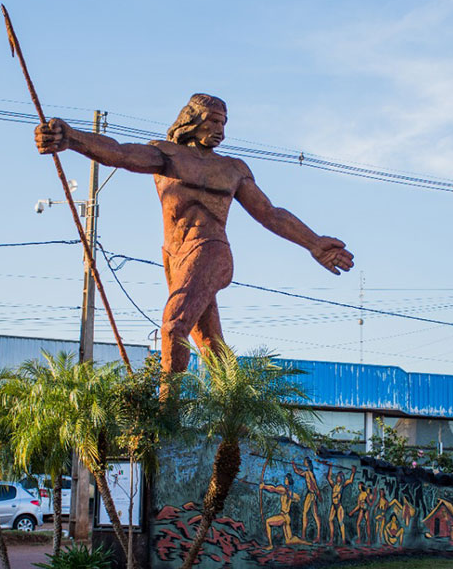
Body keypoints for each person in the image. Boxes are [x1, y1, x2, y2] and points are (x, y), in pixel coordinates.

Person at [35, 94, 354, 375]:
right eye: (214, 121)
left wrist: (314, 242)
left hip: (212, 250)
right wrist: (71, 138)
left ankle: (165, 417)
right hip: (176, 257)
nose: (221, 131)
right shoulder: (166, 155)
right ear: (193, 121)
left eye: (224, 123)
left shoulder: (232, 169)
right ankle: (234, 419)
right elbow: (119, 152)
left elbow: (269, 213)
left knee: (174, 326)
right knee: (213, 348)